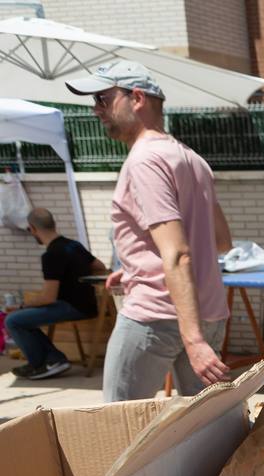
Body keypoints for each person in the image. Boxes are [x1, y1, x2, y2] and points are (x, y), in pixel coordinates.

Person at [65, 61, 233, 402]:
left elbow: (177, 253)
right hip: (209, 312)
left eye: (102, 99)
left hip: (156, 316)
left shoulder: (145, 160)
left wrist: (194, 340)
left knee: (117, 424)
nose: (96, 110)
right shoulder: (191, 158)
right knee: (204, 431)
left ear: (137, 98)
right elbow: (220, 242)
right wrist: (135, 266)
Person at [7, 208, 105, 379]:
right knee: (23, 320)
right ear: (54, 224)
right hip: (88, 304)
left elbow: (48, 297)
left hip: (71, 307)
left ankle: (46, 363)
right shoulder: (74, 245)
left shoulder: (51, 255)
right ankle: (52, 359)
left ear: (32, 229)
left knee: (13, 320)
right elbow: (100, 266)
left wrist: (20, 305)